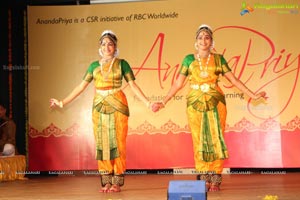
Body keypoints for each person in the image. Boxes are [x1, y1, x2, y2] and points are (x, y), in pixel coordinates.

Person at [152, 24, 267, 191]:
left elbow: (234, 80)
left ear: (212, 41)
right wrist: (163, 101)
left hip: (216, 102)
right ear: (196, 42)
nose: (203, 40)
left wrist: (253, 95)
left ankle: (215, 176)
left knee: (216, 138)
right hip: (195, 103)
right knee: (199, 139)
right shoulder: (189, 59)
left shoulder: (219, 59)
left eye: (207, 37)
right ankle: (203, 176)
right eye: (200, 37)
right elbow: (178, 83)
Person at [49, 30, 151, 193]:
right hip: (99, 107)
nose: (106, 46)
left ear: (115, 46)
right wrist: (61, 102)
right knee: (103, 144)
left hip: (118, 105)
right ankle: (106, 182)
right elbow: (80, 87)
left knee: (118, 143)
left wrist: (148, 103)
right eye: (103, 43)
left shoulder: (122, 63)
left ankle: (117, 181)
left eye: (110, 43)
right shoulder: (94, 66)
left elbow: (133, 86)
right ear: (100, 47)